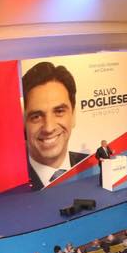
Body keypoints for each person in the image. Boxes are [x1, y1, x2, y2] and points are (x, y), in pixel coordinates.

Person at [22, 61, 88, 190]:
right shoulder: (13, 183)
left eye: (59, 111)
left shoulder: (91, 165)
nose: (49, 128)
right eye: (36, 116)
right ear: (24, 122)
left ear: (73, 115)